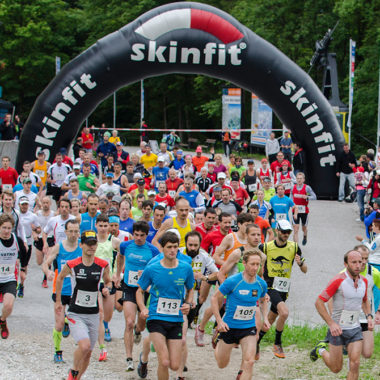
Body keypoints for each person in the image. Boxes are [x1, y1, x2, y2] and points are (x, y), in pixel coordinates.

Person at [136, 231, 194, 380]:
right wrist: (143, 308)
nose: (173, 250)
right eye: (169, 247)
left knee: (174, 365)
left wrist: (187, 303)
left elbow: (190, 289)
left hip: (176, 319)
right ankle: (145, 359)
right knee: (165, 361)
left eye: (175, 247)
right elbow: (139, 290)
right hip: (156, 317)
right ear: (162, 248)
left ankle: (144, 356)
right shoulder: (152, 268)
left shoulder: (185, 268)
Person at [55, 230, 111, 380]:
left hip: (93, 314)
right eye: (88, 244)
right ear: (81, 245)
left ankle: (76, 378)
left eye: (93, 244)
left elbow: (108, 281)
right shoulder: (73, 264)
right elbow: (60, 278)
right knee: (84, 346)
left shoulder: (102, 265)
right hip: (75, 313)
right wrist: (59, 301)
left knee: (89, 353)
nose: (91, 247)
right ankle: (73, 370)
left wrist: (107, 288)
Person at [310, 250, 374, 380]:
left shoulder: (364, 282)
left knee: (355, 364)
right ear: (346, 264)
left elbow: (365, 300)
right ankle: (320, 350)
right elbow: (319, 302)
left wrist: (369, 316)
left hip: (355, 329)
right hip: (337, 330)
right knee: (336, 368)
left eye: (360, 262)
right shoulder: (338, 281)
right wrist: (331, 323)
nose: (358, 265)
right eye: (354, 262)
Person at [212, 250, 269, 380]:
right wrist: (219, 321)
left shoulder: (261, 283)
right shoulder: (233, 281)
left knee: (250, 361)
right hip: (229, 327)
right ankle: (217, 339)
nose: (255, 268)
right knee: (222, 364)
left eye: (258, 264)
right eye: (252, 264)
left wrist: (265, 317)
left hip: (248, 327)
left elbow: (262, 300)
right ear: (244, 263)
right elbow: (214, 299)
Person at [257, 220, 307, 358]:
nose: (286, 234)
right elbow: (256, 267)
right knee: (284, 313)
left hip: (284, 288)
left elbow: (305, 270)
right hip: (270, 285)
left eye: (288, 232)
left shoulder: (295, 247)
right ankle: (277, 343)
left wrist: (300, 263)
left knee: (271, 319)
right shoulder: (265, 247)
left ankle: (256, 342)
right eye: (283, 232)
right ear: (277, 231)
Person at [115, 221, 160, 371]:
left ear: (147, 235)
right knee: (128, 322)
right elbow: (120, 257)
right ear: (132, 234)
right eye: (136, 235)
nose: (139, 238)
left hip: (144, 289)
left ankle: (138, 330)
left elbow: (158, 268)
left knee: (141, 323)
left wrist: (147, 273)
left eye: (142, 235)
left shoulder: (153, 251)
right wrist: (117, 275)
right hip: (128, 286)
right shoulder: (125, 246)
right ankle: (129, 358)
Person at [176, 231, 219, 379]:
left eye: (196, 245)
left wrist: (204, 277)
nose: (193, 248)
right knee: (177, 328)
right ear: (185, 244)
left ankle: (182, 362)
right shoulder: (178, 252)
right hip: (176, 291)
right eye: (190, 245)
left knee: (184, 329)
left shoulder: (204, 256)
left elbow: (217, 273)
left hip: (192, 294)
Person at [42, 219, 82, 362]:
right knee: (58, 324)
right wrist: (48, 273)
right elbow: (45, 264)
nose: (73, 234)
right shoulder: (59, 247)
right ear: (65, 232)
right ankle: (57, 351)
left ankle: (67, 321)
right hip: (60, 289)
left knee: (77, 321)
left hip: (77, 291)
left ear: (79, 232)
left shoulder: (82, 248)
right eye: (70, 231)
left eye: (76, 231)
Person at [93, 214, 121, 361]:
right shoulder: (92, 241)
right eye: (101, 225)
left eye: (106, 226)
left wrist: (117, 274)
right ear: (96, 225)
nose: (103, 228)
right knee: (101, 313)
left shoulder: (114, 241)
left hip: (108, 280)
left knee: (108, 315)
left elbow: (122, 256)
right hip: (94, 280)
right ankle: (102, 347)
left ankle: (105, 326)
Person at [0, 214, 28, 339]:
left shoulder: (17, 240)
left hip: (9, 278)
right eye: (4, 228)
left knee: (9, 305)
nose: (6, 231)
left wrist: (23, 269)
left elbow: (24, 253)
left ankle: (2, 320)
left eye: (9, 228)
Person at [17, 196, 41, 298]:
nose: (24, 206)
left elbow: (39, 230)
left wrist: (35, 229)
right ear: (19, 205)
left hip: (28, 243)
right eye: (22, 204)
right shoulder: (16, 214)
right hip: (17, 242)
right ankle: (13, 282)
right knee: (15, 264)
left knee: (24, 266)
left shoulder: (32, 216)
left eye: (26, 204)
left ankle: (22, 284)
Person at [290, 172, 316, 245]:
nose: (299, 180)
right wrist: (292, 204)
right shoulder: (293, 187)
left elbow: (314, 197)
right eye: (297, 178)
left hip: (304, 211)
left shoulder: (307, 187)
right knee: (296, 229)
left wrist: (307, 197)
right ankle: (296, 247)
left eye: (300, 179)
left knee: (303, 228)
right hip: (295, 211)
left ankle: (305, 235)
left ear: (303, 179)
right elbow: (290, 197)